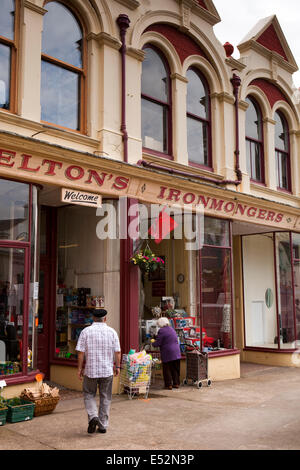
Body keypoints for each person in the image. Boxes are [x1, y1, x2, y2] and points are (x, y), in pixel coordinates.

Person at [76, 308, 121, 434]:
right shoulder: (112, 332)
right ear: (105, 319)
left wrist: (79, 369)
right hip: (107, 371)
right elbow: (117, 352)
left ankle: (93, 416)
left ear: (93, 318)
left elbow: (80, 353)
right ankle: (102, 425)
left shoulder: (86, 331)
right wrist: (117, 367)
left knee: (89, 394)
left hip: (90, 371)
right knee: (105, 397)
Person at [152, 317, 181, 390]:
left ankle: (168, 385)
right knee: (174, 368)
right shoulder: (172, 329)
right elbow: (166, 338)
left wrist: (152, 342)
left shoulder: (161, 330)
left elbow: (158, 343)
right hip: (176, 352)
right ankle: (176, 383)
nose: (158, 326)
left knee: (166, 368)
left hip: (168, 352)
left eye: (158, 325)